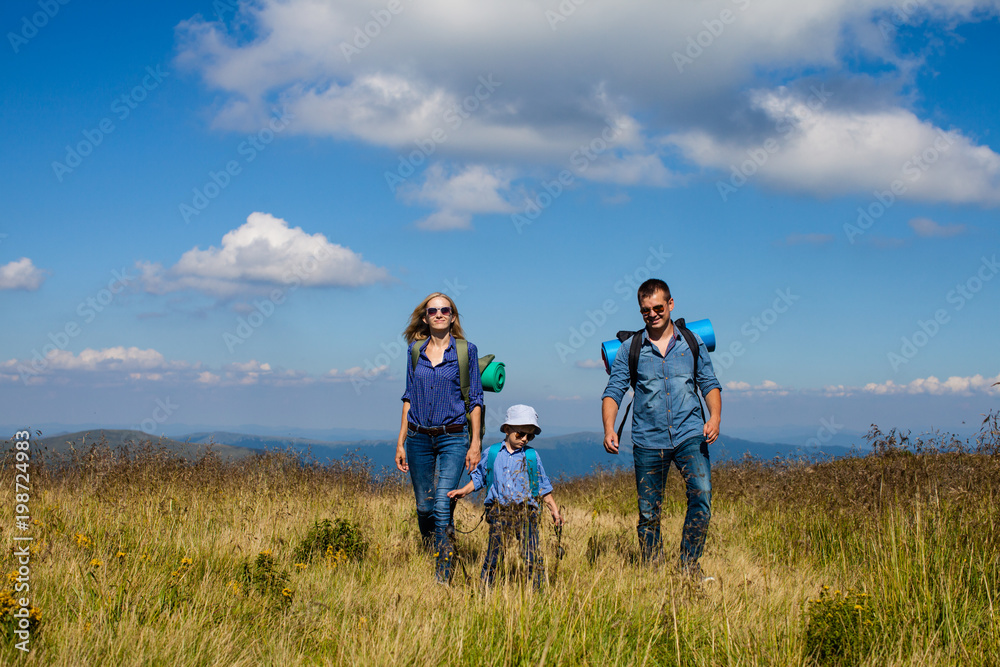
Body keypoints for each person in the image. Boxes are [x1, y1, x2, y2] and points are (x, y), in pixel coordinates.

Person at [601, 278, 722, 579]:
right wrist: (609, 428)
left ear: (670, 304)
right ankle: (653, 571)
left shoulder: (692, 342)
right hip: (647, 440)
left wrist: (715, 416)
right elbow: (613, 391)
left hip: (690, 434)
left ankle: (688, 566)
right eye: (646, 310)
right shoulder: (631, 349)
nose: (652, 314)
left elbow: (709, 382)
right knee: (648, 512)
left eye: (658, 307)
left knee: (702, 494)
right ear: (640, 311)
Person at [396, 292, 484, 583]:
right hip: (418, 437)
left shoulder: (465, 351)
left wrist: (475, 443)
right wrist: (401, 441)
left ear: (453, 316)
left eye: (445, 310)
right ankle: (430, 545)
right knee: (424, 506)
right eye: (432, 310)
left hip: (453, 437)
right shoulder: (414, 351)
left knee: (442, 503)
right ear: (425, 317)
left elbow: (475, 399)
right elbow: (409, 397)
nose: (439, 314)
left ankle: (442, 576)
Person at [449, 404, 562, 589]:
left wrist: (554, 511)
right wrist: (463, 491)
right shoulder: (493, 453)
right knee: (494, 554)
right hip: (498, 511)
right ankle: (486, 589)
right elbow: (479, 478)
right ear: (508, 429)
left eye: (529, 435)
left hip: (526, 512)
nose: (524, 439)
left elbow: (543, 486)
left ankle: (538, 591)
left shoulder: (532, 456)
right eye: (520, 434)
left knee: (531, 554)